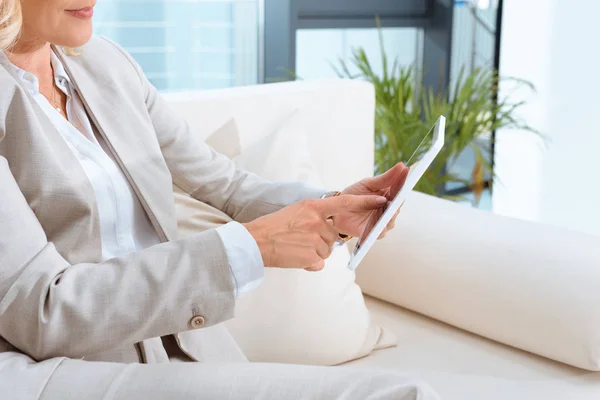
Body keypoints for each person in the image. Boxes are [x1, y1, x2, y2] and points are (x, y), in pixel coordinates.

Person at [0, 0, 440, 399]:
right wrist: (251, 246)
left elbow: (224, 184)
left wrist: (333, 207)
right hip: (61, 367)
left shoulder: (107, 65)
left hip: (179, 344)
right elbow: (42, 309)